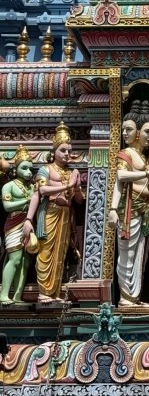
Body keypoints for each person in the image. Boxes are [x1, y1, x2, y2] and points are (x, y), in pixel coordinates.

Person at [23, 122, 84, 303]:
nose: (66, 154)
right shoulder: (46, 169)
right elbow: (41, 191)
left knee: (60, 253)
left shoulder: (72, 172)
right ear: (54, 150)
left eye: (69, 151)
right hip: (50, 212)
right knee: (46, 251)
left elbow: (79, 201)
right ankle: (44, 292)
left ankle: (55, 293)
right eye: (62, 150)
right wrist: (28, 219)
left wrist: (77, 188)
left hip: (65, 215)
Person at [108, 101, 149, 306]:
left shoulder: (143, 157)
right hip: (128, 211)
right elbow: (120, 178)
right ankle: (125, 297)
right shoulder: (126, 153)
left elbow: (148, 188)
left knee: (140, 256)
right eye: (147, 131)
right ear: (138, 132)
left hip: (143, 212)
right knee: (127, 254)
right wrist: (113, 209)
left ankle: (134, 296)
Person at [1, 146, 37, 304]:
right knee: (15, 259)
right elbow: (7, 206)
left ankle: (17, 296)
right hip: (13, 224)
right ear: (16, 169)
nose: (28, 172)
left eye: (30, 169)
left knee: (25, 261)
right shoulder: (9, 186)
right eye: (24, 168)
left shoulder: (32, 187)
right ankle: (3, 294)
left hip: (28, 224)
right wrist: (27, 201)